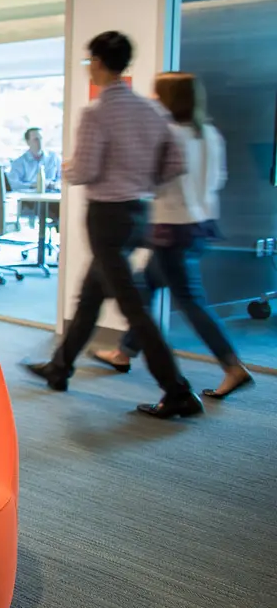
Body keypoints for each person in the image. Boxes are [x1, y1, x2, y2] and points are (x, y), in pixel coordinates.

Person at [24, 31, 202, 418]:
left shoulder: (98, 112)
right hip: (138, 212)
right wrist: (143, 182)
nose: (90, 68)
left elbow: (85, 169)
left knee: (133, 306)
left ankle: (177, 390)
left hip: (107, 216)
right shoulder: (152, 110)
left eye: (89, 62)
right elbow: (176, 163)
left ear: (98, 63)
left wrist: (71, 169)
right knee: (90, 295)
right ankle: (60, 367)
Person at [94, 74, 254, 399]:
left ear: (168, 99)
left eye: (156, 93)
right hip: (199, 225)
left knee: (189, 300)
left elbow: (154, 181)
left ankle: (232, 366)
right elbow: (218, 180)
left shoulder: (169, 136)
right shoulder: (209, 134)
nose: (151, 98)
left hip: (171, 227)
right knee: (145, 286)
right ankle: (124, 351)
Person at [8, 127, 61, 192]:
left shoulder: (54, 158)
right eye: (36, 139)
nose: (39, 142)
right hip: (29, 199)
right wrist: (32, 185)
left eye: (41, 139)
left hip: (52, 198)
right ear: (28, 142)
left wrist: (55, 184)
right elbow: (13, 184)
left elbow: (63, 179)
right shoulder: (19, 162)